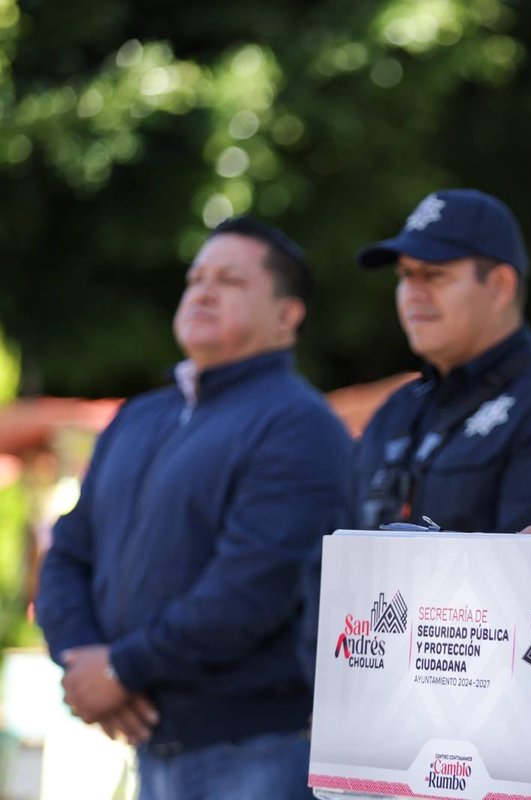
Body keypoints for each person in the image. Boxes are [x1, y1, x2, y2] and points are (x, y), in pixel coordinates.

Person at [36, 216, 352, 800]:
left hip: (257, 753)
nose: (203, 291)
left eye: (230, 280)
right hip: (155, 750)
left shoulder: (299, 425)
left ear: (288, 315)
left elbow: (253, 587)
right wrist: (84, 662)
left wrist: (122, 670)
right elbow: (69, 554)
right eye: (196, 277)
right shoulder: (138, 417)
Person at [349, 188, 531, 533]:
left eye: (434, 275)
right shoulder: (396, 410)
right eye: (405, 275)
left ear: (501, 285)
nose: (413, 294)